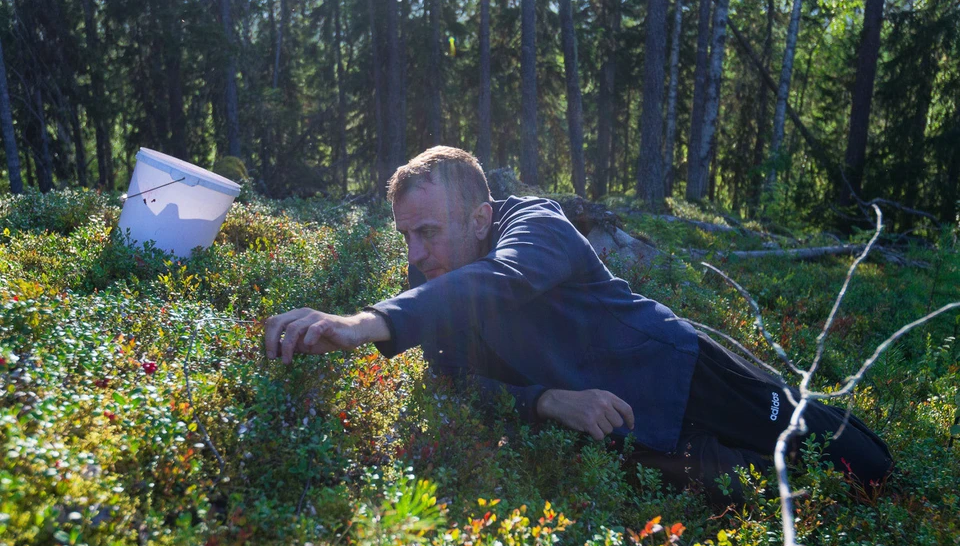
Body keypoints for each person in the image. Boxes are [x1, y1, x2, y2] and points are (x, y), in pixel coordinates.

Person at [264, 146, 893, 504]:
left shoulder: (535, 226)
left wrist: (367, 323)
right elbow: (455, 382)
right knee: (765, 499)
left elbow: (499, 281)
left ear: (480, 218)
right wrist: (546, 402)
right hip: (633, 435)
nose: (414, 256)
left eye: (427, 233)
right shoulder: (435, 287)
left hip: (682, 375)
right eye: (406, 236)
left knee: (864, 465)